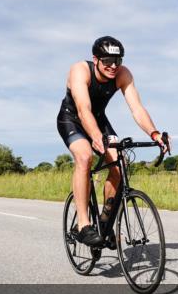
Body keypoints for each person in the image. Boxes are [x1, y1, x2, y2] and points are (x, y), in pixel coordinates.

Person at [57, 36, 170, 246]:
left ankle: (105, 221)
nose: (113, 66)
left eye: (118, 61)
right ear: (96, 59)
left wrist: (154, 134)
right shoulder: (80, 70)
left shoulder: (123, 74)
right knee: (85, 157)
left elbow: (136, 108)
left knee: (120, 164)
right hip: (72, 119)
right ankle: (83, 224)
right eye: (107, 60)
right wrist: (95, 136)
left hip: (99, 121)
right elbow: (83, 110)